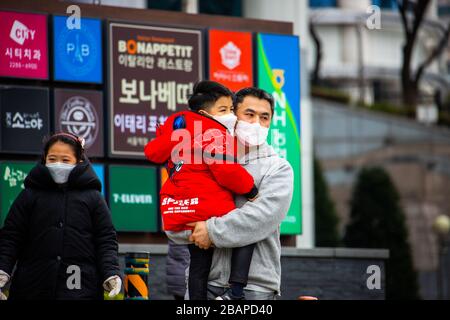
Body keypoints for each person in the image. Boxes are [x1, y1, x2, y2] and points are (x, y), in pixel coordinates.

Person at [144, 80, 259, 300]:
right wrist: (251, 190)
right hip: (207, 211)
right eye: (224, 110)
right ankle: (236, 291)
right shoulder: (214, 132)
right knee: (247, 229)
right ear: (204, 113)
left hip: (178, 214)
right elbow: (226, 170)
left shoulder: (178, 131)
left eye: (232, 109)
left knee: (198, 267)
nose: (231, 115)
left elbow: (152, 152)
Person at [187, 87, 294, 300]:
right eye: (249, 114)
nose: (256, 123)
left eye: (264, 117)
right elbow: (183, 215)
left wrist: (211, 231)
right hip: (204, 283)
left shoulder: (279, 168)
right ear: (233, 115)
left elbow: (262, 217)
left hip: (255, 288)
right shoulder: (206, 160)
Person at [0, 132, 121, 300]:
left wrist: (111, 272)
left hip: (81, 289)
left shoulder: (93, 197)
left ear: (78, 160)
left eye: (65, 160)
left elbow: (106, 238)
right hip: (31, 288)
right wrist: (3, 269)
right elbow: (11, 236)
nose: (58, 164)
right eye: (52, 159)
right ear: (44, 159)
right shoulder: (29, 195)